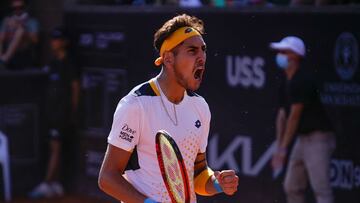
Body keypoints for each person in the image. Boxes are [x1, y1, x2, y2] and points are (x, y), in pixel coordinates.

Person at [98, 14, 239, 203]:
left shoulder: (200, 107)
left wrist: (217, 184)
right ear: (168, 59)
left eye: (203, 50)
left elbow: (197, 174)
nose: (201, 57)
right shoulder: (136, 105)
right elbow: (108, 178)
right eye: (192, 51)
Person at [270, 36, 335, 203]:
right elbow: (282, 116)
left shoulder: (302, 81)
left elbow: (294, 117)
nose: (280, 55)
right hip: (302, 139)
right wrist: (279, 147)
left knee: (321, 190)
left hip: (318, 139)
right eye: (280, 51)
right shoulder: (285, 82)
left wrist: (283, 150)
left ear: (296, 56)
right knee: (291, 187)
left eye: (284, 52)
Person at [28, 27, 80, 198]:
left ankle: (47, 182)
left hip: (62, 115)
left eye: (57, 39)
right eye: (52, 39)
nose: (53, 42)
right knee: (53, 147)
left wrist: (72, 111)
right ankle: (55, 183)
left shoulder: (69, 64)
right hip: (51, 114)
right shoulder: (52, 64)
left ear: (64, 42)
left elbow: (75, 88)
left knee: (56, 147)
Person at [0, 0, 39, 70]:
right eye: (15, 8)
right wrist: (6, 27)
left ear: (25, 8)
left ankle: (4, 59)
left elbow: (35, 40)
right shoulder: (8, 20)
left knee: (21, 30)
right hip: (8, 53)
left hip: (23, 54)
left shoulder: (31, 21)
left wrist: (20, 26)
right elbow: (1, 39)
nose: (17, 10)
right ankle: (2, 60)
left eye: (20, 7)